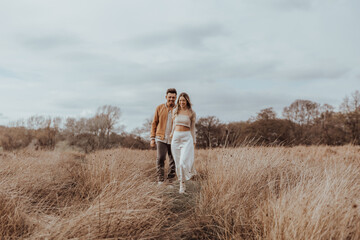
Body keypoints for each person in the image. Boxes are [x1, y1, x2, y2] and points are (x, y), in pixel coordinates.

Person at [170, 92, 196, 194]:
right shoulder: (175, 111)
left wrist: (194, 141)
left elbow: (193, 128)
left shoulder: (191, 113)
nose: (181, 102)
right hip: (176, 138)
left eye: (183, 100)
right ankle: (182, 185)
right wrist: (171, 134)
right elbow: (173, 125)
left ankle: (184, 182)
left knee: (182, 163)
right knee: (177, 163)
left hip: (187, 138)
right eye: (180, 100)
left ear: (187, 101)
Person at [150, 88, 177, 185]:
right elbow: (154, 123)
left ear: (176, 98)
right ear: (166, 97)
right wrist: (152, 138)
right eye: (169, 97)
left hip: (174, 139)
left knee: (173, 160)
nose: (171, 99)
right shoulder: (159, 108)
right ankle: (160, 180)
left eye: (173, 97)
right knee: (161, 158)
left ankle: (170, 180)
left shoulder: (178, 109)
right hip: (161, 138)